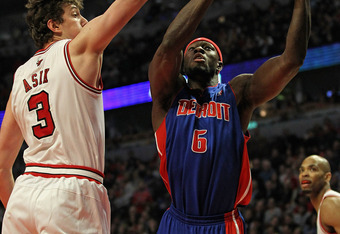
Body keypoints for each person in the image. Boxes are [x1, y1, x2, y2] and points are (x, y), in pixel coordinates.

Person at [148, 0, 311, 233]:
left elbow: (292, 60)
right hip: (177, 220)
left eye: (207, 47)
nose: (199, 49)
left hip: (222, 223)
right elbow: (167, 48)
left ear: (219, 64)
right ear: (181, 67)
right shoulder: (167, 96)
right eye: (193, 48)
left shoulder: (238, 94)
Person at [0, 0, 147, 233]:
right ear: (55, 25)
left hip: (24, 193)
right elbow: (122, 9)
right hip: (71, 190)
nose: (84, 21)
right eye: (76, 15)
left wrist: (20, 212)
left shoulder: (20, 76)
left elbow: (1, 165)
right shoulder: (77, 50)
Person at [299, 155, 340, 233]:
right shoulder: (325, 205)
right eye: (302, 170)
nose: (304, 174)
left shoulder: (330, 204)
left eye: (312, 169)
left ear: (327, 177)